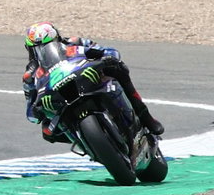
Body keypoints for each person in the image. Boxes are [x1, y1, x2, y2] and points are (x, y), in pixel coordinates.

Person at [21, 22, 162, 140]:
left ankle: (146, 117)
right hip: (61, 101)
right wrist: (37, 109)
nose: (42, 52)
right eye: (37, 49)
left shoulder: (75, 42)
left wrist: (104, 58)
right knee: (47, 131)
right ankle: (87, 143)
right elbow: (31, 115)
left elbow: (110, 52)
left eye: (47, 45)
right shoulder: (30, 75)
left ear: (57, 39)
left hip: (89, 80)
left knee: (119, 69)